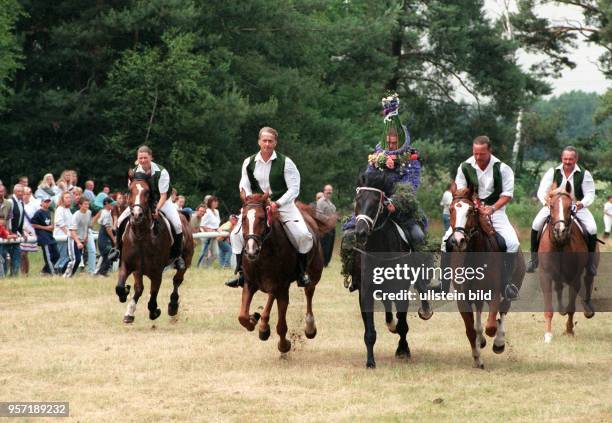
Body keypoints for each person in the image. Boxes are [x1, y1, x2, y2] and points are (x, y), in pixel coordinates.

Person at [226, 126, 314, 288]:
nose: (267, 144)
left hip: (283, 206)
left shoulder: (286, 163)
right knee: (235, 235)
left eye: (270, 141)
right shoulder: (249, 161)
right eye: (264, 141)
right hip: (256, 206)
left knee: (303, 235)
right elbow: (244, 182)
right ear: (259, 142)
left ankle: (302, 273)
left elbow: (294, 188)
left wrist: (277, 203)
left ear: (275, 143)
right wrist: (245, 195)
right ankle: (241, 273)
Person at [442, 135, 520, 300]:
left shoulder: (503, 168)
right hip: (470, 211)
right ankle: (443, 285)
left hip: (496, 212)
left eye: (482, 154)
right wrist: (475, 205)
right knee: (445, 241)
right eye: (475, 153)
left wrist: (491, 209)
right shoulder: (465, 167)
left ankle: (506, 283)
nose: (478, 157)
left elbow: (507, 195)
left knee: (513, 243)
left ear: (489, 151)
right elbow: (461, 193)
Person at [110, 145, 186, 269]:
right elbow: (132, 192)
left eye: (145, 157)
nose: (143, 160)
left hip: (162, 201)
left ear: (151, 157)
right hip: (141, 203)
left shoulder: (162, 172)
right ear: (137, 158)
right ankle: (117, 249)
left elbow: (163, 195)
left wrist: (157, 209)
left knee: (177, 225)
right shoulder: (134, 172)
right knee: (119, 221)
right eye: (140, 158)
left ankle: (177, 256)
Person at [526, 146, 599, 275]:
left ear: (576, 159)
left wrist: (581, 203)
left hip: (576, 207)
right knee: (536, 224)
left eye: (570, 159)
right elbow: (541, 191)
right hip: (553, 207)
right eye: (565, 159)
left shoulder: (584, 174)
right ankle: (534, 259)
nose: (567, 162)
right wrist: (546, 203)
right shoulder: (552, 172)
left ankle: (590, 263)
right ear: (562, 158)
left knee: (592, 228)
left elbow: (590, 194)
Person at [30, 197, 60, 275]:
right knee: (48, 256)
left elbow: (48, 224)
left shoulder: (49, 212)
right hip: (43, 237)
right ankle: (52, 273)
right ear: (42, 203)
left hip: (50, 236)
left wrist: (51, 227)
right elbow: (33, 224)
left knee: (57, 255)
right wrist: (45, 228)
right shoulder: (38, 213)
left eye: (48, 202)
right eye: (45, 202)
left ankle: (45, 271)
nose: (47, 203)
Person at [66, 198, 92, 277]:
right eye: (85, 204)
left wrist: (86, 236)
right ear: (80, 205)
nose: (87, 206)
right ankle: (67, 276)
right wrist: (78, 242)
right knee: (75, 259)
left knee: (76, 259)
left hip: (82, 240)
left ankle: (67, 274)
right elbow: (72, 231)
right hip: (73, 239)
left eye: (88, 204)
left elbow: (87, 226)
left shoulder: (89, 213)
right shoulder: (76, 215)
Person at [316, 184, 337, 267]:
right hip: (324, 228)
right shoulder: (320, 202)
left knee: (330, 246)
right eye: (327, 191)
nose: (329, 192)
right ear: (324, 191)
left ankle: (326, 262)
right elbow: (318, 215)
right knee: (324, 246)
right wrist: (328, 219)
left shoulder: (330, 203)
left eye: (330, 191)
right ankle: (322, 262)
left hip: (332, 228)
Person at [198, 196, 221, 268]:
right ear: (210, 203)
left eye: (216, 201)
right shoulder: (207, 211)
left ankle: (206, 267)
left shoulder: (217, 211)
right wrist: (210, 230)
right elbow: (202, 224)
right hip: (206, 236)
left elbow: (217, 224)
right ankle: (201, 268)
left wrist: (217, 230)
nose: (216, 203)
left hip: (214, 236)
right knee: (204, 254)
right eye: (215, 201)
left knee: (216, 254)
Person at [96, 197, 116, 276]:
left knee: (107, 254)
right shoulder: (106, 213)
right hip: (104, 235)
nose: (113, 205)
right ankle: (101, 272)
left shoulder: (106, 212)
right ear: (106, 204)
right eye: (111, 204)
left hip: (104, 234)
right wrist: (113, 238)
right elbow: (108, 228)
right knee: (108, 253)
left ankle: (102, 272)